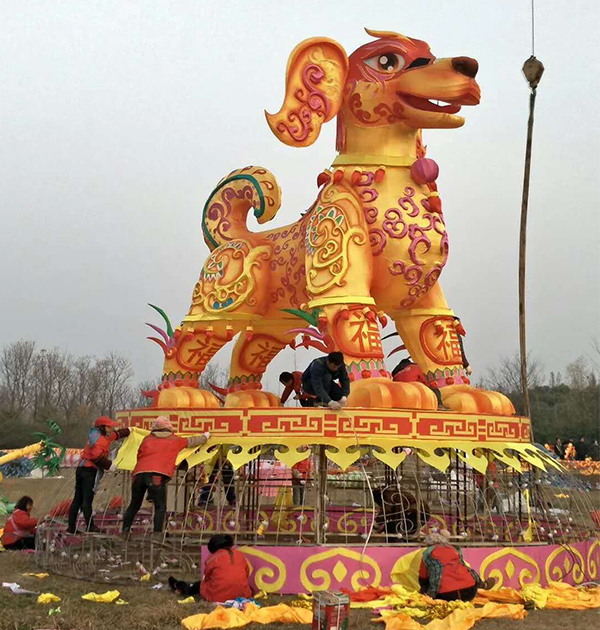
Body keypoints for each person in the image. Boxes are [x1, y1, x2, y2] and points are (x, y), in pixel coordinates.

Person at [122, 416, 209, 534]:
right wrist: (206, 436)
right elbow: (192, 441)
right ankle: (157, 535)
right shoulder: (174, 440)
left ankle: (125, 531)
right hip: (156, 475)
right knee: (160, 506)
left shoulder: (147, 439)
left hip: (138, 474)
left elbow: (139, 454)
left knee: (134, 504)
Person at [67, 416, 130, 534]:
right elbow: (96, 456)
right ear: (102, 427)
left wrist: (128, 431)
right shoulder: (99, 440)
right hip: (89, 471)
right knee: (87, 500)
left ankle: (71, 526)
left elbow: (114, 435)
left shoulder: (96, 436)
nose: (111, 429)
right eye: (108, 427)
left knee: (77, 499)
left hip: (81, 468)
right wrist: (109, 465)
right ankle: (90, 526)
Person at [168, 534, 252, 602]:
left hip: (219, 596)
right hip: (243, 595)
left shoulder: (213, 558)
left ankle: (178, 585)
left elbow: (207, 578)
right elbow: (247, 573)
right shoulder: (240, 555)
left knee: (198, 586)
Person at [419, 529, 494, 601]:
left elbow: (423, 578)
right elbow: (469, 570)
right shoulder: (454, 549)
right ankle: (484, 585)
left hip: (446, 595)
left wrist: (426, 593)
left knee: (427, 583)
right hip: (470, 591)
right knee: (464, 570)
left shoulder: (427, 554)